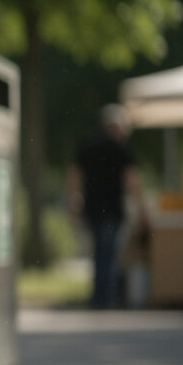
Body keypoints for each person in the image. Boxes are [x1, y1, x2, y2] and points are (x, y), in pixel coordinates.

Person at [68, 104, 147, 309]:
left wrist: (75, 199)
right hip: (112, 209)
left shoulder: (87, 144)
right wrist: (141, 207)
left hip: (92, 207)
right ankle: (107, 298)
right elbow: (131, 181)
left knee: (98, 252)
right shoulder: (122, 149)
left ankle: (97, 297)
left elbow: (75, 174)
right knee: (110, 253)